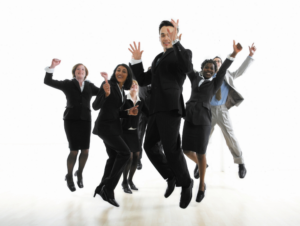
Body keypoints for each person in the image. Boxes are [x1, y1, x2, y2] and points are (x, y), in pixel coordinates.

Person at [128, 19, 193, 209]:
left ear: (176, 34)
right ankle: (171, 175)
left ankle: (186, 183)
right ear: (159, 37)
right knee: (149, 147)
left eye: (170, 34)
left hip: (171, 107)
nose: (166, 37)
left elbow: (187, 68)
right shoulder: (157, 59)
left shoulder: (183, 53)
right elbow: (142, 79)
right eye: (163, 34)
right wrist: (136, 61)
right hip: (155, 109)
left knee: (171, 148)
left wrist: (177, 43)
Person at [183, 41, 243, 203]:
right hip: (190, 115)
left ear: (215, 71)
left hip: (208, 115)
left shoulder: (217, 80)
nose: (209, 69)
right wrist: (177, 42)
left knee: (206, 150)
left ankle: (202, 185)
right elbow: (187, 64)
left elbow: (224, 69)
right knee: (186, 150)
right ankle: (203, 164)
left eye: (213, 67)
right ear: (202, 68)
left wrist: (234, 54)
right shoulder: (195, 77)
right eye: (207, 67)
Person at [193, 43, 256, 179]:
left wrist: (250, 55)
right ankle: (198, 163)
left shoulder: (228, 75)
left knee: (230, 137)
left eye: (219, 62)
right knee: (203, 138)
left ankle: (241, 163)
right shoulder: (206, 75)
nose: (216, 64)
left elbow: (241, 70)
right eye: (214, 62)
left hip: (222, 111)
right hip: (207, 110)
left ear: (222, 64)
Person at [44, 59, 99, 192]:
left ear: (86, 73)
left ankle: (79, 173)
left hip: (85, 120)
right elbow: (48, 81)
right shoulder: (68, 84)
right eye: (78, 69)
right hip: (71, 120)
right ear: (74, 73)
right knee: (74, 150)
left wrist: (107, 80)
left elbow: (104, 93)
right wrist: (52, 67)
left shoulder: (90, 86)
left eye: (83, 69)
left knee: (85, 150)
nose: (80, 71)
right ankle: (69, 176)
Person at [92, 64, 138, 207]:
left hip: (112, 127)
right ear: (114, 73)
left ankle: (101, 188)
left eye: (124, 71)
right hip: (106, 127)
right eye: (118, 70)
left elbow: (115, 111)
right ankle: (108, 189)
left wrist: (128, 112)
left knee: (113, 157)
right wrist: (105, 95)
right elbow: (95, 106)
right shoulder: (108, 85)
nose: (120, 72)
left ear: (127, 76)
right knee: (125, 153)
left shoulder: (120, 89)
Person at [121, 80, 148, 193]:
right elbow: (118, 112)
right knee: (129, 157)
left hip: (135, 132)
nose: (134, 86)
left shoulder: (140, 101)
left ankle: (130, 180)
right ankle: (124, 182)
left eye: (136, 84)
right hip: (124, 131)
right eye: (132, 84)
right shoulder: (124, 99)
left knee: (136, 157)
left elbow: (149, 113)